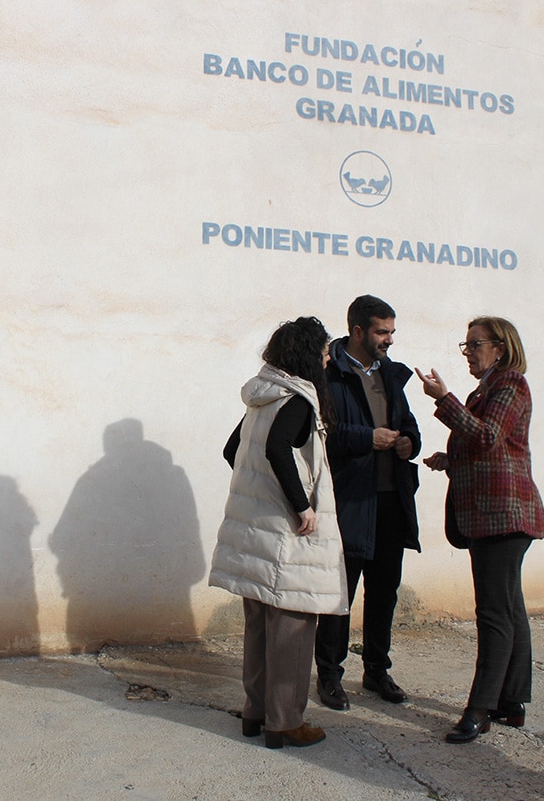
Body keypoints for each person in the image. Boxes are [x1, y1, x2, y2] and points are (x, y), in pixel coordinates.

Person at [209, 316, 348, 749]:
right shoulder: (298, 400)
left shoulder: (262, 397)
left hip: (257, 535)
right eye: (325, 351)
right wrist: (299, 505)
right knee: (292, 630)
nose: (329, 359)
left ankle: (256, 713)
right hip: (286, 538)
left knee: (260, 629)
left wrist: (262, 498)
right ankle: (285, 722)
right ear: (308, 354)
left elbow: (235, 450)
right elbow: (277, 450)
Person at [415, 316, 544, 744]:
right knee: (509, 608)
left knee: (493, 613)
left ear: (500, 348)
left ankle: (481, 708)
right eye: (466, 345)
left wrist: (444, 399)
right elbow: (490, 451)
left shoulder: (510, 385)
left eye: (475, 344)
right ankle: (511, 702)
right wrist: (449, 460)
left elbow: (489, 436)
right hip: (494, 514)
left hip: (502, 517)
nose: (468, 351)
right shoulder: (488, 390)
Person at [314, 295, 421, 711]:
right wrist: (367, 438)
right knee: (341, 594)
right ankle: (329, 675)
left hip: (392, 499)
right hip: (350, 500)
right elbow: (322, 434)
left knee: (384, 592)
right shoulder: (330, 374)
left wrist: (410, 442)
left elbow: (408, 425)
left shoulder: (392, 375)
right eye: (382, 331)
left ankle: (377, 670)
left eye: (392, 332)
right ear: (358, 331)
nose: (389, 340)